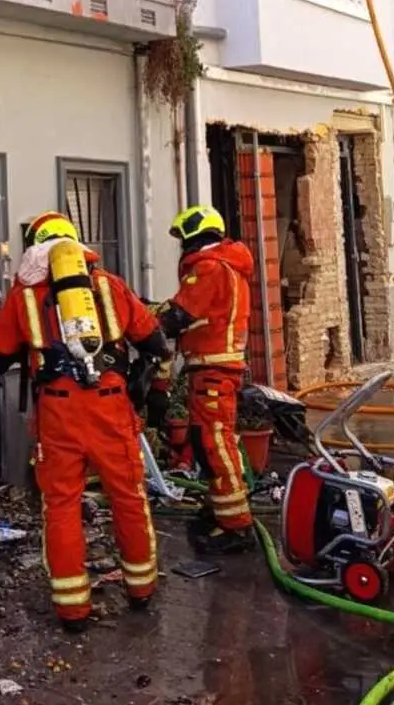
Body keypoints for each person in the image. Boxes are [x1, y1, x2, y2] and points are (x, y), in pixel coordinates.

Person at [0, 211, 169, 633]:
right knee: (128, 496)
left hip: (58, 411)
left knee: (62, 505)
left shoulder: (24, 296)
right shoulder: (109, 285)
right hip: (110, 406)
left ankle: (72, 608)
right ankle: (141, 588)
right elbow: (154, 340)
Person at [154, 205, 255, 555]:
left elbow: (179, 315)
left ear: (195, 238)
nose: (182, 248)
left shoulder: (209, 268)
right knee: (206, 443)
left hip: (213, 370)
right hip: (211, 369)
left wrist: (143, 317)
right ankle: (219, 510)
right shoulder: (225, 266)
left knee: (215, 445)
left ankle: (236, 526)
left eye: (184, 240)